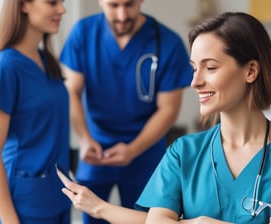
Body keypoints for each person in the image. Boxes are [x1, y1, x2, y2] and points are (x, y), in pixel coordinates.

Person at [57, 11, 271, 224]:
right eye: (194, 68)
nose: (195, 81)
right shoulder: (183, 152)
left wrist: (194, 222)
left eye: (210, 67)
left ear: (250, 71)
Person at [59, 0, 192, 223]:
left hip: (145, 150)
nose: (122, 15)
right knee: (91, 214)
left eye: (129, 4)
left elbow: (168, 109)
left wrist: (133, 149)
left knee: (146, 219)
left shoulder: (167, 43)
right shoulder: (83, 34)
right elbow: (72, 91)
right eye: (113, 5)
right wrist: (84, 138)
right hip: (96, 148)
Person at [0, 0, 71, 223]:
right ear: (23, 5)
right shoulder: (5, 68)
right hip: (26, 203)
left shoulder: (46, 60)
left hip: (59, 194)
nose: (62, 9)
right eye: (52, 2)